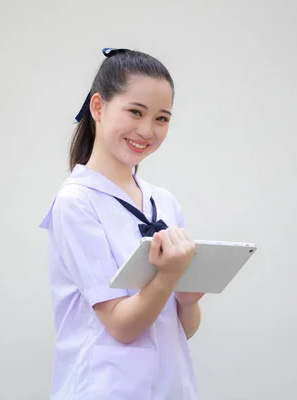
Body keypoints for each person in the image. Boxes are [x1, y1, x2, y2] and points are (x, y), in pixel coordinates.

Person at [39, 47, 203, 400]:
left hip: (171, 388)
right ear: (98, 107)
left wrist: (188, 302)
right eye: (135, 112)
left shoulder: (165, 201)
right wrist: (170, 276)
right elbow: (121, 326)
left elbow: (184, 330)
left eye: (162, 118)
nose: (147, 130)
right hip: (103, 389)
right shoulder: (76, 202)